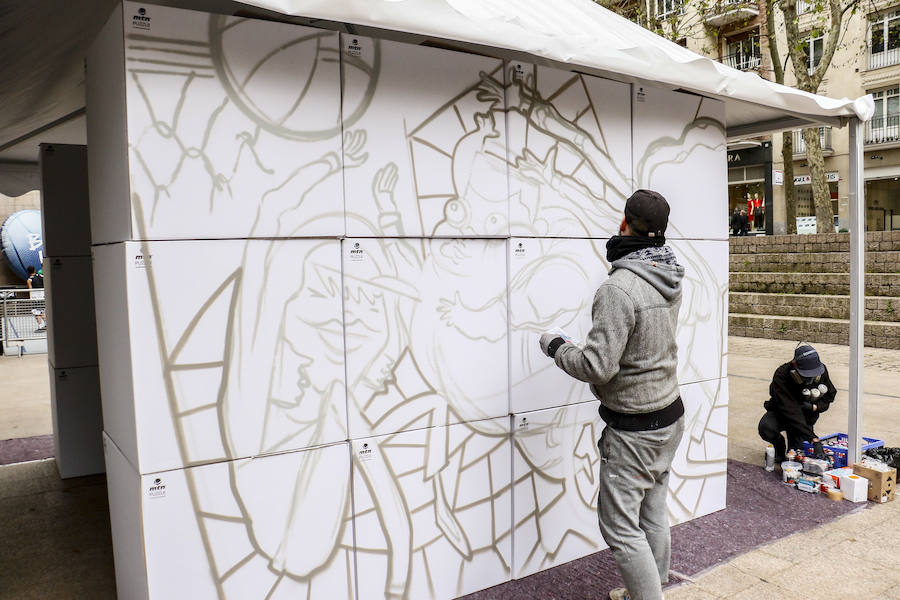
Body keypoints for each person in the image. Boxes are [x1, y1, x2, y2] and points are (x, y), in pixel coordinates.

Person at [539, 189, 685, 600]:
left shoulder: (618, 289)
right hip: (669, 414)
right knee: (652, 511)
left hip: (636, 429)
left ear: (624, 223)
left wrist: (557, 347)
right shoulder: (670, 273)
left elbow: (597, 367)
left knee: (620, 527)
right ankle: (649, 590)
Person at [758, 344, 837, 463]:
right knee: (766, 428)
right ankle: (779, 448)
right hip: (782, 413)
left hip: (805, 417)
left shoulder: (821, 371)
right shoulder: (781, 375)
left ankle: (794, 445)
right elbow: (789, 409)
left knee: (796, 456)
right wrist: (813, 439)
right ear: (795, 364)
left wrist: (815, 407)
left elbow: (830, 395)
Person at [25, 265, 46, 332]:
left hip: (36, 298)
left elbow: (30, 289)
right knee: (41, 311)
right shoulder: (41, 276)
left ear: (28, 272)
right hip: (42, 296)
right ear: (34, 270)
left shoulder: (29, 280)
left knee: (36, 312)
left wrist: (31, 299)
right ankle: (47, 324)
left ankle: (41, 326)